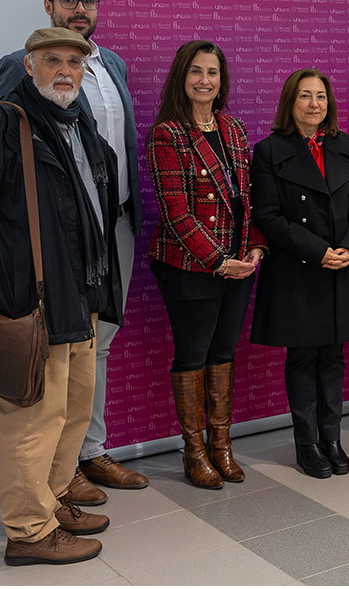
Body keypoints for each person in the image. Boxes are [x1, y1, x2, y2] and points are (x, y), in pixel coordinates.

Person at [0, 28, 122, 565]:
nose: (64, 69)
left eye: (74, 61)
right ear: (29, 65)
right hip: (30, 302)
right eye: (52, 60)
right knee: (32, 418)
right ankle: (28, 530)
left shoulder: (78, 127)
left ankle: (57, 496)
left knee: (72, 409)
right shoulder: (0, 126)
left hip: (82, 297)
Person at [0, 0, 147, 503]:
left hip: (113, 224)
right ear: (48, 6)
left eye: (89, 1)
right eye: (69, 0)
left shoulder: (113, 65)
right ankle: (57, 470)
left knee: (95, 345)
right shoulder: (18, 66)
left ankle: (87, 453)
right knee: (55, 355)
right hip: (55, 240)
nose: (81, 9)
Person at [146, 40, 266, 489]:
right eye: (196, 71)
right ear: (183, 77)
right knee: (193, 355)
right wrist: (219, 261)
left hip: (239, 264)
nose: (204, 80)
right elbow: (174, 212)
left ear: (222, 80)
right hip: (190, 267)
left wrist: (254, 248)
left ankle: (222, 446)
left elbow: (248, 198)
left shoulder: (232, 128)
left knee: (223, 354)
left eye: (212, 72)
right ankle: (194, 452)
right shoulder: (168, 134)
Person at [249, 69, 349, 478]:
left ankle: (332, 439)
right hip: (299, 270)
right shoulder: (269, 151)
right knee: (303, 358)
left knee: (334, 357)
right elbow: (268, 217)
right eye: (305, 96)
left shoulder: (345, 145)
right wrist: (319, 252)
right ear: (290, 102)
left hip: (343, 266)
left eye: (321, 97)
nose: (314, 105)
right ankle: (306, 444)